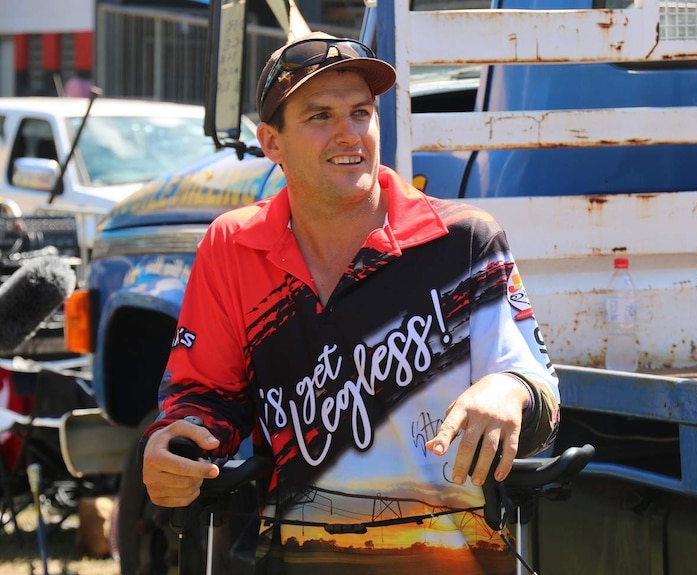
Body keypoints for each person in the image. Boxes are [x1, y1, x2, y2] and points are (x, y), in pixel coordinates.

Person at [140, 31, 560, 574]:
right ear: (272, 143)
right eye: (320, 116)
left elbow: (542, 398)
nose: (349, 134)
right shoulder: (233, 246)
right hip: (295, 560)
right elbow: (204, 397)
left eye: (361, 113)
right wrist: (177, 446)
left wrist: (509, 389)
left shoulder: (464, 240)